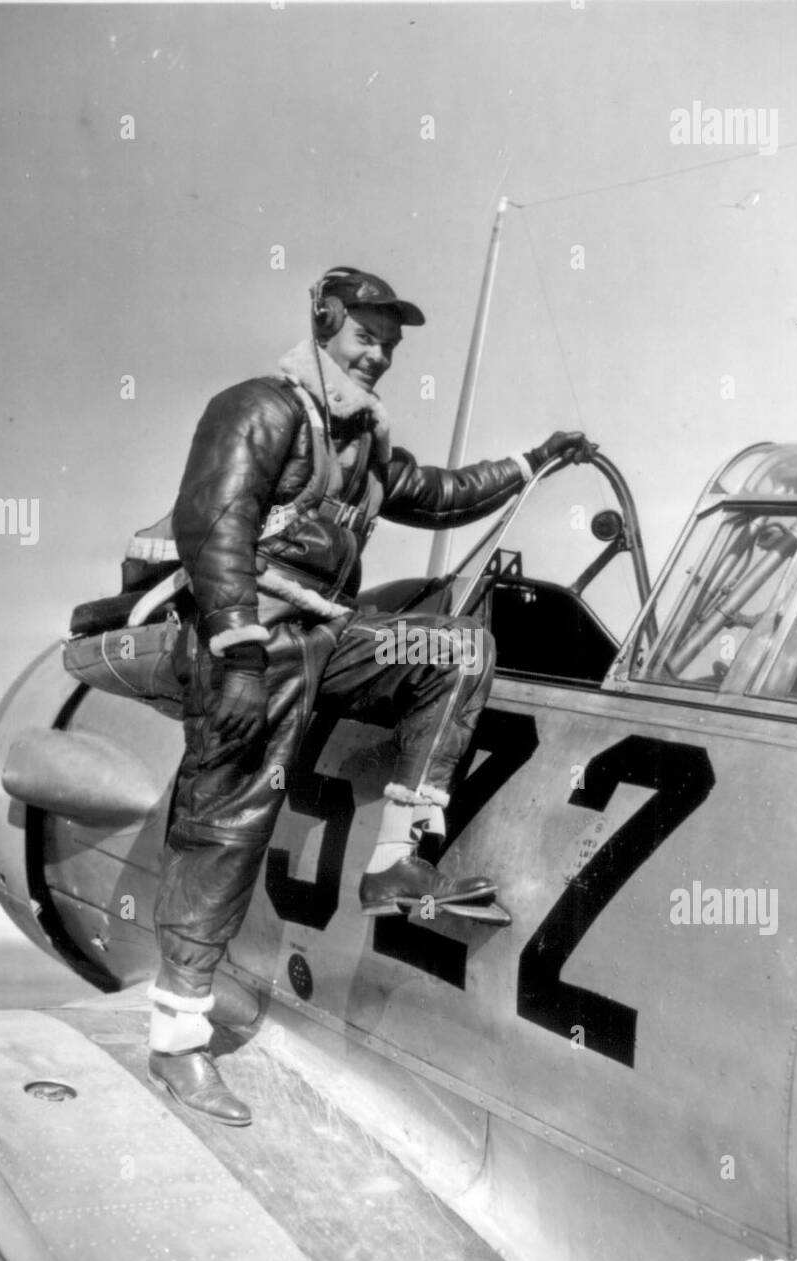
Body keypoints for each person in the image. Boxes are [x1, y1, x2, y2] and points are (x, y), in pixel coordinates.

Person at [147, 265, 596, 1124]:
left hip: (329, 634)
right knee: (229, 826)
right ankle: (177, 1041)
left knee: (455, 648)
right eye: (366, 335)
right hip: (252, 637)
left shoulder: (361, 444)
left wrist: (532, 461)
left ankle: (397, 859)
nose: (380, 354)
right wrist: (238, 657)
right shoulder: (260, 408)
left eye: (390, 343)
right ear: (323, 321)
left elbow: (438, 495)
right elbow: (214, 527)